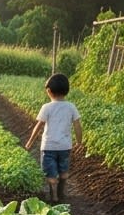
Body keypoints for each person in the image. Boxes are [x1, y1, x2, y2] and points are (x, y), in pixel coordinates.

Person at [24, 72, 83, 202]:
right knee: (64, 171)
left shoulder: (47, 107)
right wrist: (79, 142)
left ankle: (54, 196)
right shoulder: (71, 107)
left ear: (49, 91)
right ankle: (62, 194)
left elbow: (38, 127)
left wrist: (30, 142)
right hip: (65, 146)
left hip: (48, 147)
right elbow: (77, 126)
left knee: (50, 172)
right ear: (67, 91)